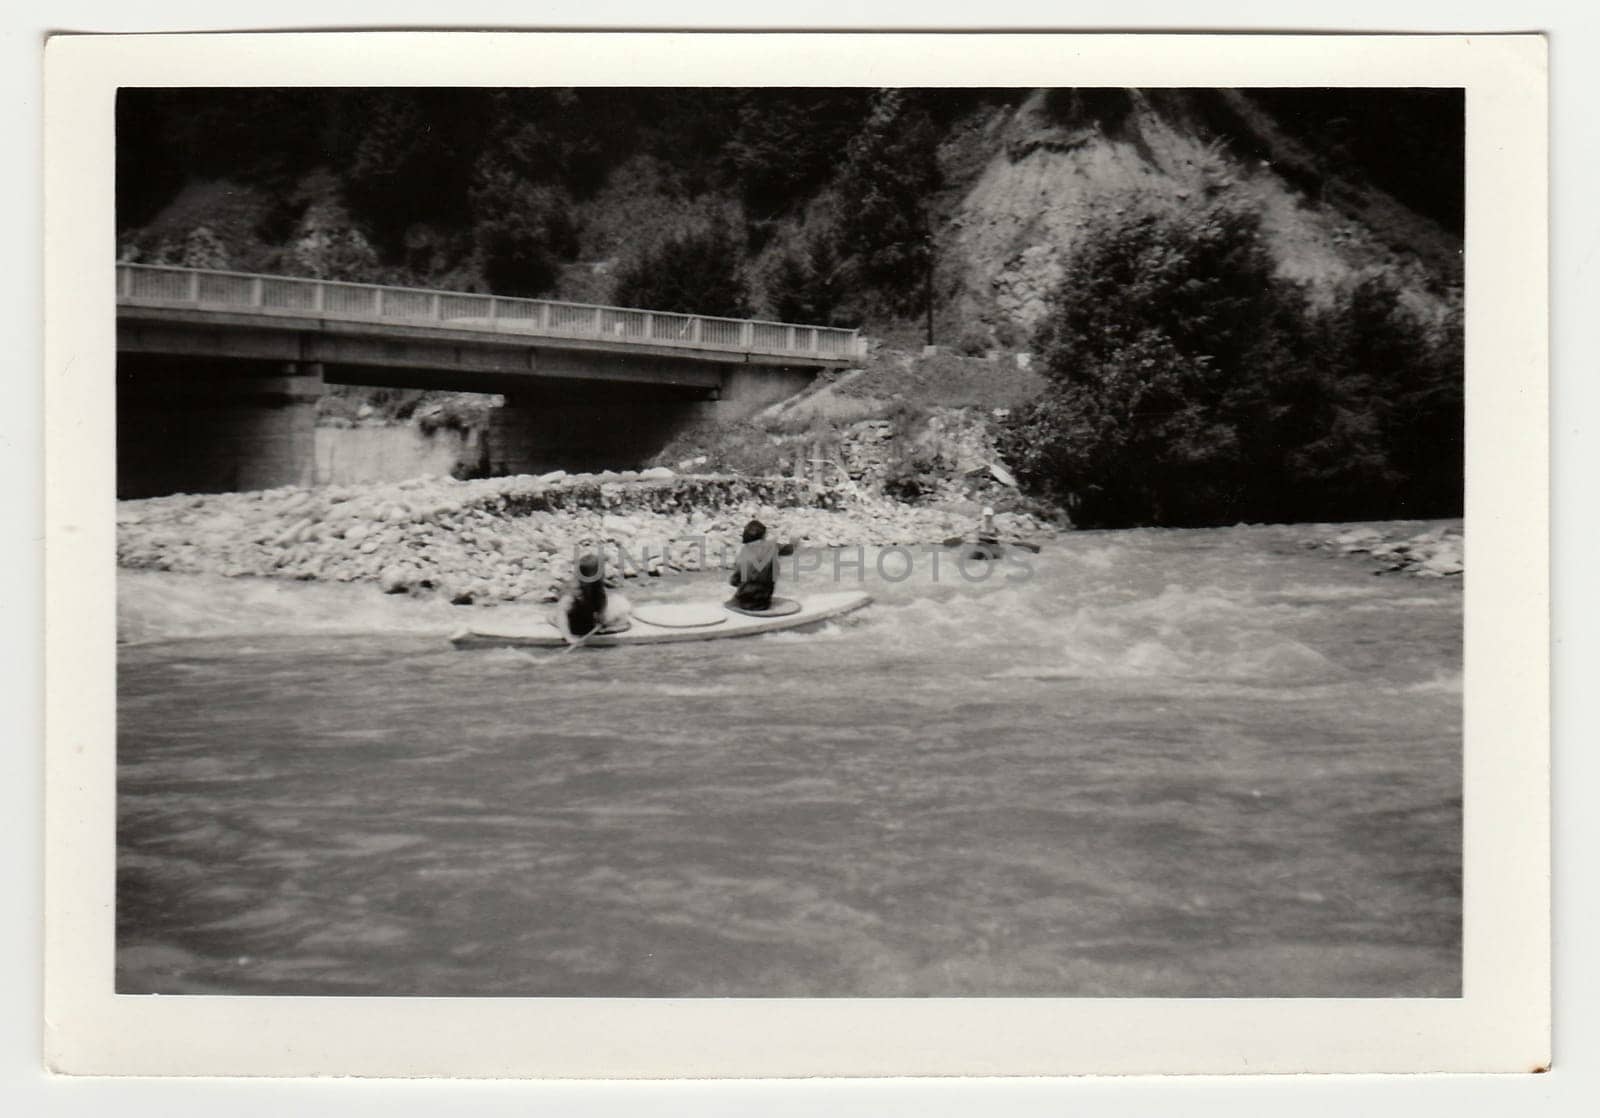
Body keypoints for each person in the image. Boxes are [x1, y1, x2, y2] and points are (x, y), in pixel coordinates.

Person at [552, 553, 631, 645]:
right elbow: (561, 613)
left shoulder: (597, 587)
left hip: (588, 620)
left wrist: (601, 621)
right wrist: (568, 637)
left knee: (619, 617)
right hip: (573, 622)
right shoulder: (573, 593)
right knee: (555, 616)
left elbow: (601, 605)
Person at [729, 518, 781, 611]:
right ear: (763, 535)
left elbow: (733, 581)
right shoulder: (771, 548)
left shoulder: (743, 552)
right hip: (763, 602)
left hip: (743, 601)